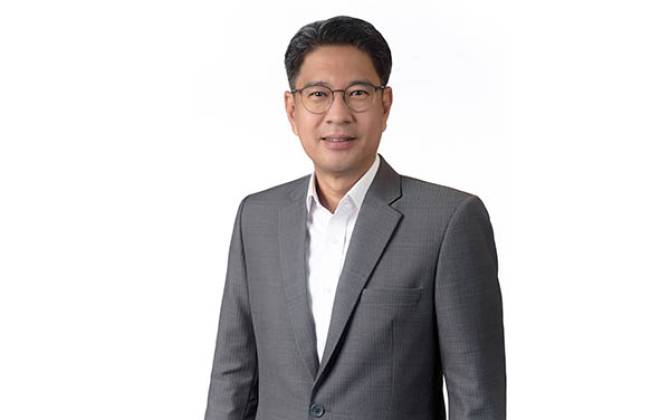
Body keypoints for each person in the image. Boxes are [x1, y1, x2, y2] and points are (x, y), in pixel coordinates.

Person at [204, 15, 506, 420]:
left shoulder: (448, 221)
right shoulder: (256, 218)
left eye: (358, 93)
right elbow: (233, 380)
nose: (338, 114)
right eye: (318, 94)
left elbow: (477, 401)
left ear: (385, 104)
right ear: (292, 109)